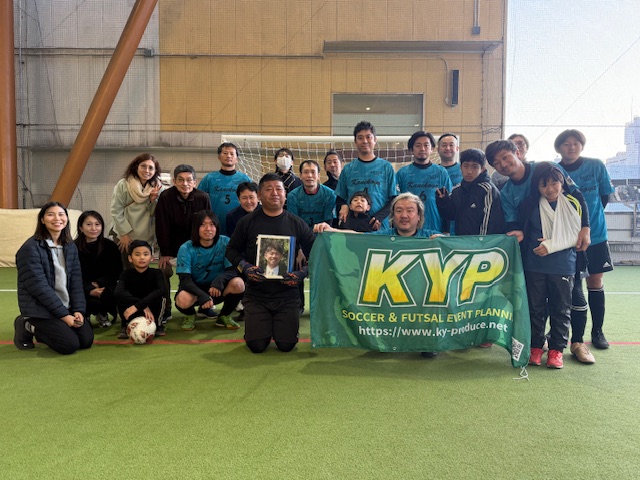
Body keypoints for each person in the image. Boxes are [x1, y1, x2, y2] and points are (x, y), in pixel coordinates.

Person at [314, 192, 440, 358]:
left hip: (420, 297)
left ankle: (428, 340)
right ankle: (384, 336)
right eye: (399, 211)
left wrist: (444, 241)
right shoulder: (383, 237)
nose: (404, 215)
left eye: (410, 210)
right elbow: (358, 237)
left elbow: (457, 247)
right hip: (389, 296)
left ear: (419, 216)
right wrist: (331, 230)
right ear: (392, 216)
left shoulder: (431, 238)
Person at [226, 173, 316, 353]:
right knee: (257, 346)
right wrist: (245, 267)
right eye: (268, 189)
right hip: (256, 295)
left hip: (288, 295)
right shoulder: (247, 222)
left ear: (285, 194)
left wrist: (302, 273)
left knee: (286, 345)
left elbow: (316, 254)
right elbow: (231, 250)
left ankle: (281, 327)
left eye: (279, 189)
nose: (274, 193)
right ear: (259, 195)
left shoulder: (297, 223)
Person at [518, 162, 584, 368]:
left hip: (563, 265)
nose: (550, 188)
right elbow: (523, 230)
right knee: (535, 309)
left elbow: (575, 236)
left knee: (561, 310)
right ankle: (536, 347)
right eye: (544, 184)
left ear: (562, 182)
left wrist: (551, 245)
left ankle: (556, 350)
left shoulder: (572, 204)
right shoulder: (530, 204)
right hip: (534, 265)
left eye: (554, 182)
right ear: (537, 186)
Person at [555, 129, 615, 355]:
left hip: (596, 235)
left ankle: (598, 331)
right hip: (567, 239)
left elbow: (604, 197)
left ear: (582, 145)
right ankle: (567, 334)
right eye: (566, 143)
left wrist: (587, 224)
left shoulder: (596, 165)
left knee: (595, 282)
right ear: (558, 147)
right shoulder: (555, 170)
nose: (571, 147)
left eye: (575, 143)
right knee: (572, 287)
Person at [14, 202, 94, 354]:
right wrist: (64, 315)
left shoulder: (70, 246)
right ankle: (28, 325)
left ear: (66, 219)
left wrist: (78, 310)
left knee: (85, 340)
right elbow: (40, 289)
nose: (57, 218)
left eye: (61, 214)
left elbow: (76, 282)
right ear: (42, 220)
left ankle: (53, 329)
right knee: (69, 345)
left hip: (65, 306)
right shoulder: (30, 248)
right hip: (41, 308)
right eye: (51, 214)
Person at [155, 164, 212, 321]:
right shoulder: (165, 197)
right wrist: (165, 252)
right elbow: (161, 226)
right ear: (174, 181)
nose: (185, 183)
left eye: (189, 180)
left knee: (208, 269)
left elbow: (208, 223)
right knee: (163, 271)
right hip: (171, 249)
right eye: (180, 180)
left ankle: (205, 307)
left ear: (195, 182)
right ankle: (165, 309)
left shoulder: (203, 197)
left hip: (196, 248)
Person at [175, 210, 244, 331]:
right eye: (203, 225)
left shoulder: (225, 242)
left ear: (217, 227)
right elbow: (185, 280)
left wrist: (219, 280)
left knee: (239, 283)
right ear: (196, 228)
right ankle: (190, 315)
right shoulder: (186, 248)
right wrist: (202, 295)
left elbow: (233, 270)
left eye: (212, 224)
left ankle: (224, 316)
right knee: (182, 299)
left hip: (217, 288)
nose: (208, 229)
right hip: (195, 289)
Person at [335, 121, 397, 230]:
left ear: (375, 140)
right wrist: (343, 206)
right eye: (360, 138)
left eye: (368, 137)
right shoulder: (348, 169)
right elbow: (340, 197)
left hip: (379, 228)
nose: (364, 141)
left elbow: (393, 199)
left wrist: (379, 217)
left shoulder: (386, 167)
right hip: (352, 227)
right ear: (355, 141)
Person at [109, 153, 163, 268]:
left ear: (155, 171)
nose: (147, 170)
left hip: (145, 237)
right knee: (125, 268)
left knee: (142, 269)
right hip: (125, 235)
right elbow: (116, 210)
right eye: (143, 166)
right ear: (136, 166)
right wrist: (124, 234)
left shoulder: (158, 187)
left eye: (151, 168)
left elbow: (155, 214)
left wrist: (152, 200)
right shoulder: (124, 184)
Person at [435, 148, 505, 236]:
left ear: (482, 169)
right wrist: (443, 201)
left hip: (483, 242)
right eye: (466, 166)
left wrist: (481, 242)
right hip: (462, 241)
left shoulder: (488, 190)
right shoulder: (457, 190)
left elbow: (491, 222)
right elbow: (451, 215)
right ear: (460, 167)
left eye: (475, 167)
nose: (469, 171)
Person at [74, 210, 123, 327]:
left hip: (105, 285)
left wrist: (99, 283)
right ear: (81, 227)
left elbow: (116, 270)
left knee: (114, 292)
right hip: (81, 286)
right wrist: (89, 289)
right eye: (89, 224)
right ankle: (84, 315)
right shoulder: (72, 247)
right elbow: (72, 273)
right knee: (84, 296)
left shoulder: (110, 246)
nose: (93, 228)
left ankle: (103, 313)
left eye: (97, 224)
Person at [397, 131, 452, 232]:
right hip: (408, 230)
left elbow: (448, 204)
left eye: (426, 145)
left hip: (435, 229)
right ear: (411, 149)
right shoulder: (402, 173)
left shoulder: (441, 172)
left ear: (432, 149)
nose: (422, 149)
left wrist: (447, 230)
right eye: (418, 145)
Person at [114, 240, 168, 339]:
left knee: (161, 297)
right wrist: (140, 306)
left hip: (151, 309)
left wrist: (139, 305)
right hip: (132, 309)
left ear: (151, 258)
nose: (142, 257)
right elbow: (118, 292)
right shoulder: (126, 274)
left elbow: (161, 290)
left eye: (146, 254)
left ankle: (158, 324)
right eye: (137, 254)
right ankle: (125, 324)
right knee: (121, 297)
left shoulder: (157, 273)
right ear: (130, 258)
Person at [198, 142, 252, 235]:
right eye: (225, 153)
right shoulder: (209, 178)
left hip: (239, 223)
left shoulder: (244, 179)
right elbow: (198, 200)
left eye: (232, 154)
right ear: (219, 157)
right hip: (214, 225)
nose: (229, 156)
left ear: (237, 159)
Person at [287, 160, 336, 228]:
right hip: (300, 232)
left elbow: (328, 222)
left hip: (322, 232)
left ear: (318, 176)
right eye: (306, 172)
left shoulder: (330, 194)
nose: (309, 175)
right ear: (300, 176)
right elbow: (293, 223)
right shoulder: (292, 196)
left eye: (313, 172)